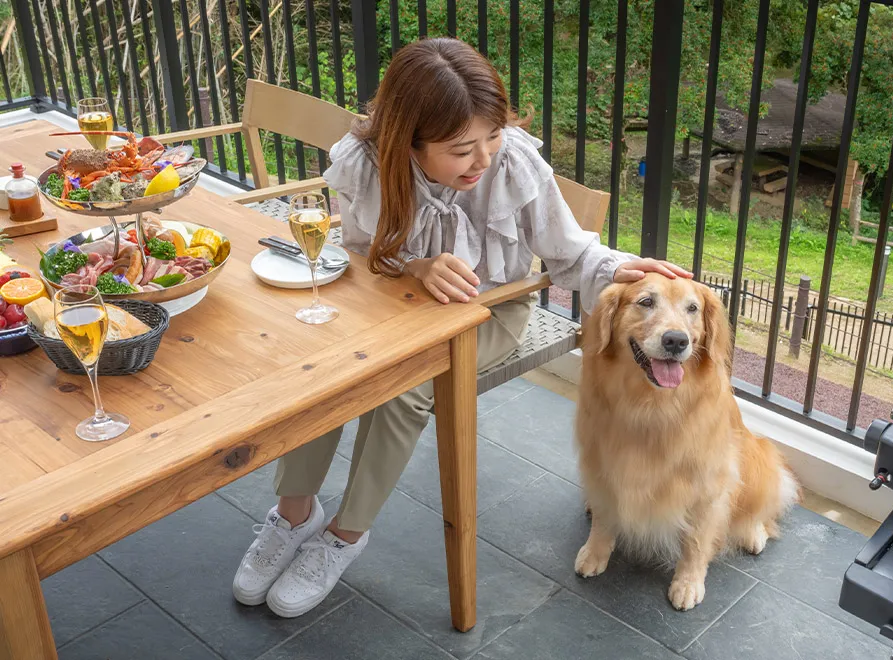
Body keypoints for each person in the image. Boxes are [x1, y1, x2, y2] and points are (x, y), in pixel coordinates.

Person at [231, 37, 691, 618]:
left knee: (404, 389)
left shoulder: (513, 163)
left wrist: (616, 267)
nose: (484, 159)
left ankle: (344, 537)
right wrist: (416, 265)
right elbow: (356, 249)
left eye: (492, 137)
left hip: (490, 310)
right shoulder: (368, 161)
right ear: (408, 141)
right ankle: (294, 516)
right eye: (460, 149)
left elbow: (568, 254)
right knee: (324, 370)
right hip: (392, 302)